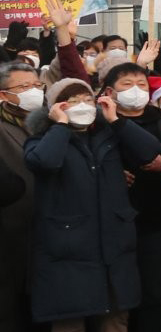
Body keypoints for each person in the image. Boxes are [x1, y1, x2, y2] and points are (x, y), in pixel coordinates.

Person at [24, 78, 161, 331]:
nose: (82, 106)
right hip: (68, 248)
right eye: (73, 101)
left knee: (115, 321)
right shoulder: (43, 138)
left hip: (114, 244)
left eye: (88, 100)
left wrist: (117, 120)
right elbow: (45, 162)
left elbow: (149, 151)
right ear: (55, 107)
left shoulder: (108, 135)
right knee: (69, 320)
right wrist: (60, 126)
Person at [100, 63, 161, 332]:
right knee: (114, 295)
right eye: (127, 84)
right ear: (110, 92)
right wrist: (110, 174)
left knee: (154, 292)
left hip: (156, 222)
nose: (135, 90)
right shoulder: (98, 125)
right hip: (110, 225)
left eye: (142, 85)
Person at [0, 61, 45, 331]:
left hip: (46, 232)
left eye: (37, 85)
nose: (33, 91)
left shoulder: (51, 124)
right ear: (4, 94)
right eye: (24, 87)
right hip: (11, 234)